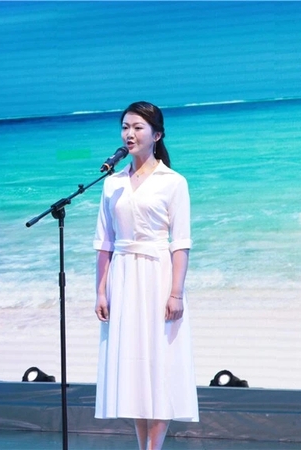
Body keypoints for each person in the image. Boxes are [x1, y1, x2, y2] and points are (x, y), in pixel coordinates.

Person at [93, 101, 199, 450]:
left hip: (158, 276)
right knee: (134, 369)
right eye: (125, 127)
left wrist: (176, 293)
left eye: (138, 127)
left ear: (157, 135)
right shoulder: (112, 183)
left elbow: (180, 243)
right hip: (123, 277)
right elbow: (104, 243)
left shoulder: (173, 182)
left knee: (160, 363)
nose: (129, 134)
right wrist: (101, 291)